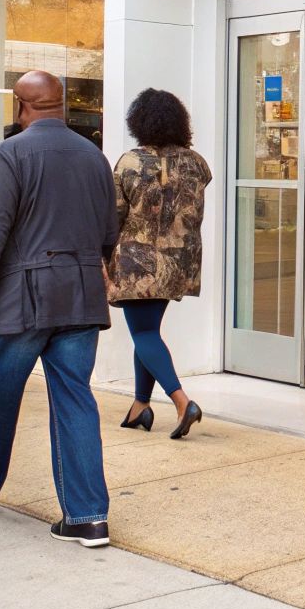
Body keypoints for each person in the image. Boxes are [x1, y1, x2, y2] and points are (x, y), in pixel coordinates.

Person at [0, 70, 119, 549]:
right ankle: (87, 517)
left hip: (22, 300)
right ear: (61, 105)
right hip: (81, 297)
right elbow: (107, 236)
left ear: (21, 106)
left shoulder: (9, 154)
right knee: (75, 398)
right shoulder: (95, 158)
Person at [110, 89, 213, 439]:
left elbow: (115, 215)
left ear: (138, 122)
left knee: (143, 333)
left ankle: (182, 401)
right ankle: (140, 406)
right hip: (178, 261)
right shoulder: (196, 164)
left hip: (137, 261)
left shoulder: (131, 162)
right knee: (149, 330)